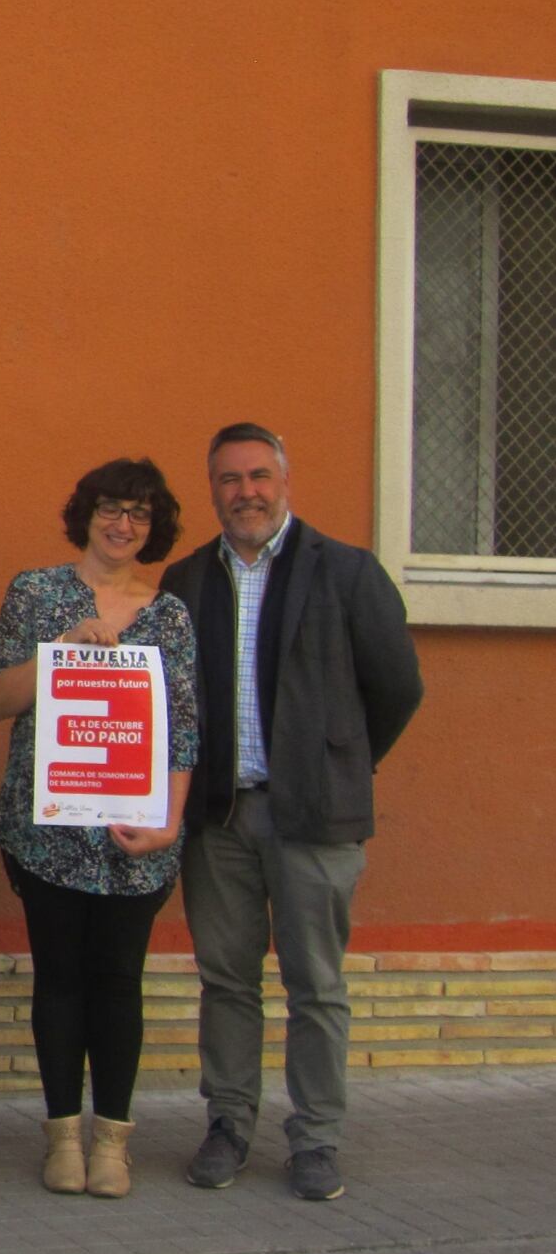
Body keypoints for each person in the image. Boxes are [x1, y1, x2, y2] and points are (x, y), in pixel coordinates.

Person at [160, 424, 422, 1203]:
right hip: (219, 819)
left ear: (283, 481)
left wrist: (338, 761)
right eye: (228, 479)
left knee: (316, 985)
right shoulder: (186, 580)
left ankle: (315, 1139)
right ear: (212, 490)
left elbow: (396, 686)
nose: (245, 492)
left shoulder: (346, 571)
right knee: (225, 980)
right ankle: (227, 1126)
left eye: (257, 476)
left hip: (313, 818)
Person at [0, 460, 199, 1200]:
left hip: (134, 838)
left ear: (154, 527)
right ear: (86, 513)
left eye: (139, 514)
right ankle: (61, 1140)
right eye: (111, 509)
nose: (122, 525)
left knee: (117, 983)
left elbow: (182, 729)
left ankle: (112, 1141)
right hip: (49, 833)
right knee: (59, 981)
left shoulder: (169, 615)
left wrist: (169, 821)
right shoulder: (36, 593)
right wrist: (61, 652)